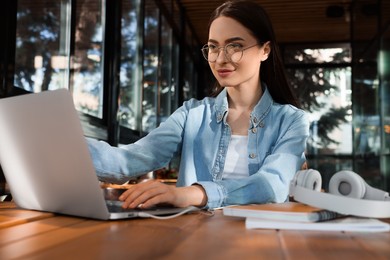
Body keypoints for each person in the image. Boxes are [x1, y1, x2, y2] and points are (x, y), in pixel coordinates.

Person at [87, 0, 309, 210]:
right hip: (194, 239)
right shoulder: (192, 114)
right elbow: (127, 161)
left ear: (265, 50)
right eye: (213, 47)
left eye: (235, 46)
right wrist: (62, 144)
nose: (221, 58)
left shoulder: (291, 121)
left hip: (259, 242)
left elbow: (272, 184)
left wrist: (191, 194)